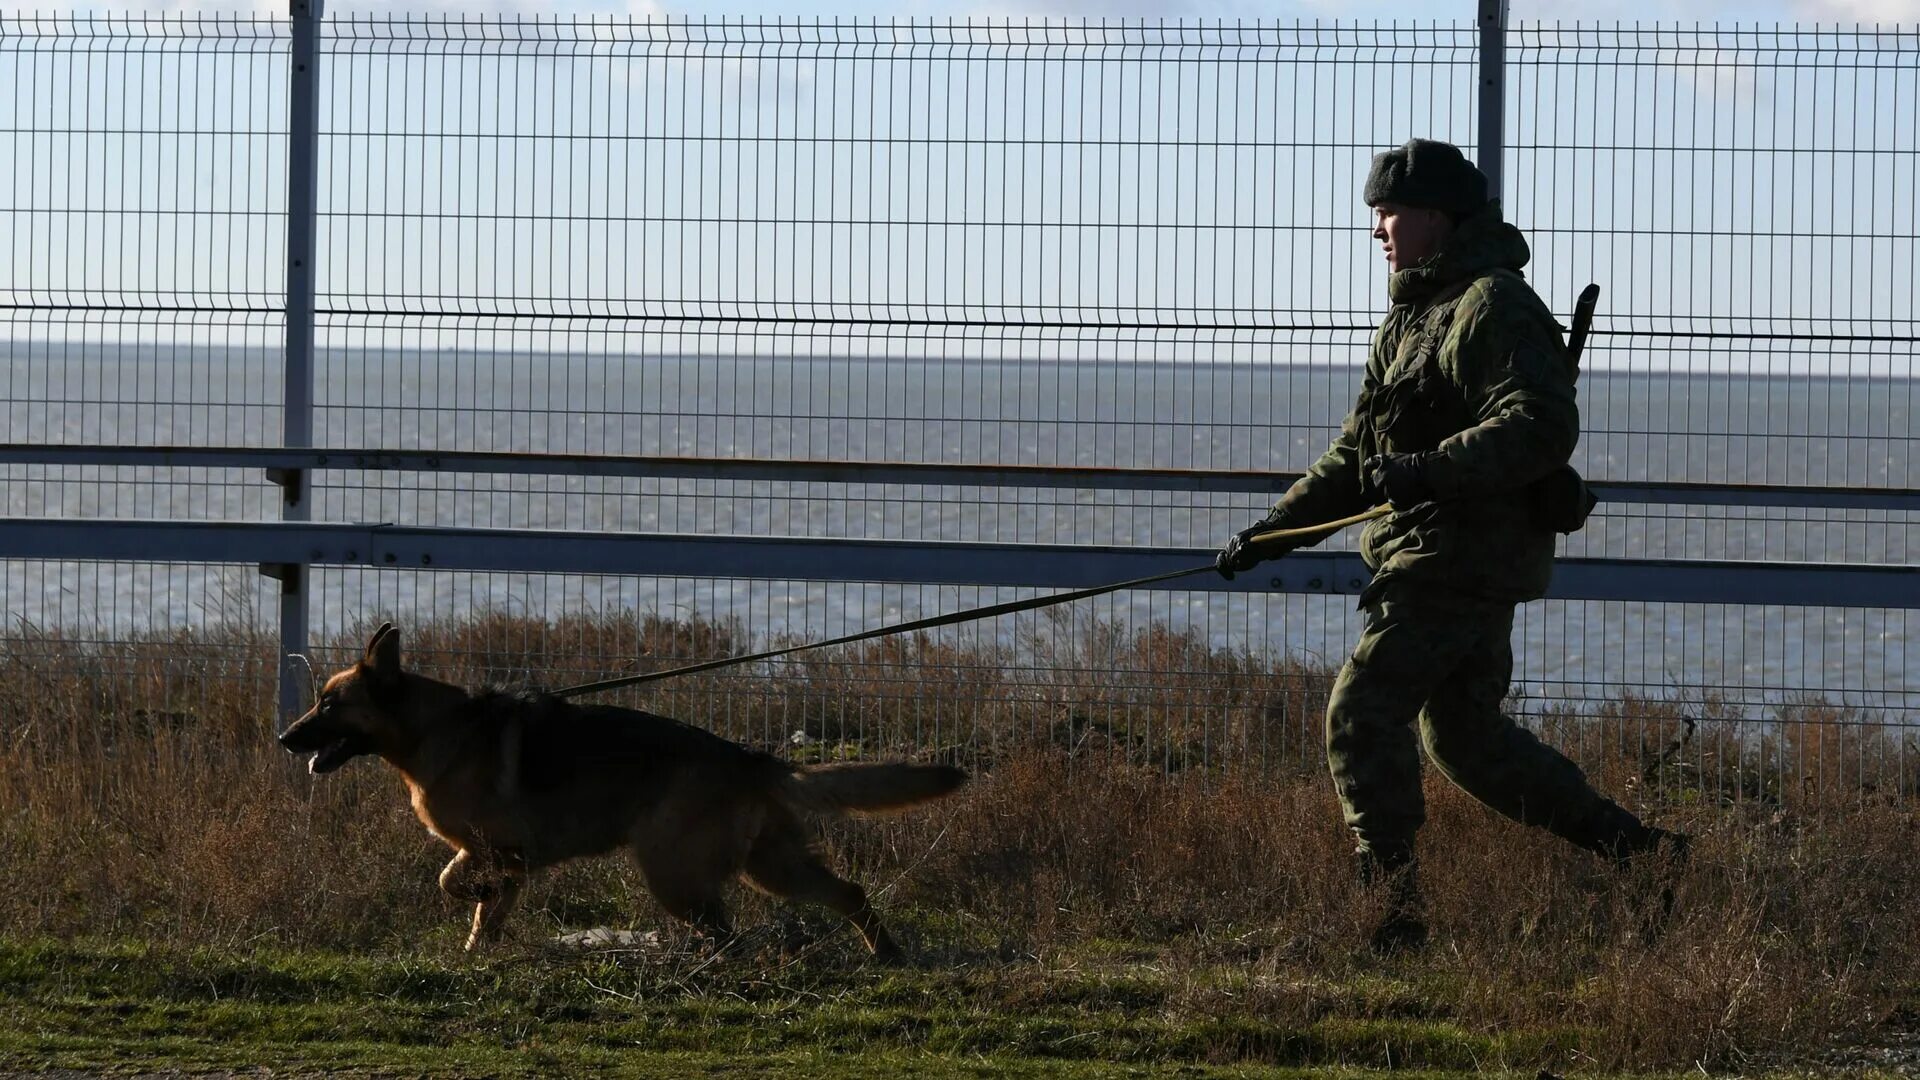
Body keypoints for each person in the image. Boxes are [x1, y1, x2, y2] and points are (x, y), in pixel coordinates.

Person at [1217, 138, 1686, 954]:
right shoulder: (1411, 317)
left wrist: (1425, 470)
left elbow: (1539, 425)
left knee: (1363, 710)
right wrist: (1271, 534)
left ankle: (1391, 912)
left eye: (1387, 213)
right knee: (1462, 739)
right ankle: (1641, 856)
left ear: (1436, 217)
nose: (1377, 231)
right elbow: (1355, 463)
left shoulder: (1492, 306)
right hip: (1439, 553)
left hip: (1459, 557)